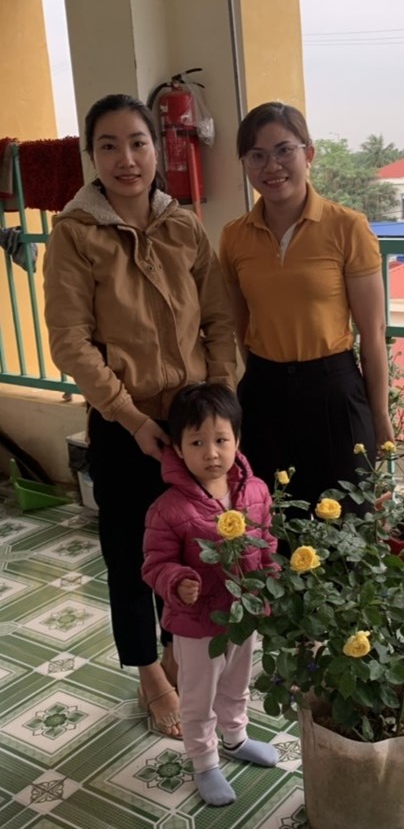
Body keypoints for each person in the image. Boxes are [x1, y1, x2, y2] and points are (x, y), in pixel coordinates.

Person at [43, 94, 236, 739]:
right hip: (124, 425)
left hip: (192, 425)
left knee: (192, 549)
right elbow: (71, 341)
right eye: (108, 145)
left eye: (138, 143)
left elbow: (219, 318)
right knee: (131, 555)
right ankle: (150, 674)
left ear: (157, 149)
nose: (126, 159)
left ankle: (180, 652)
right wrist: (130, 418)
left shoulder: (183, 226)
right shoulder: (75, 234)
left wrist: (218, 403)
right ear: (91, 155)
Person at [219, 101, 394, 516]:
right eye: (256, 155)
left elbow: (372, 333)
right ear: (245, 163)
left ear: (308, 154)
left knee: (346, 521)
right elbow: (241, 325)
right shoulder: (234, 237)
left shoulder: (347, 227)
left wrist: (380, 416)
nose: (272, 166)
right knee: (275, 520)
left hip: (333, 391)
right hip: (264, 395)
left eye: (284, 150)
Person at [142, 383, 279, 807]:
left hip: (243, 614)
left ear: (237, 439)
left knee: (237, 681)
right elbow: (155, 564)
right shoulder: (168, 509)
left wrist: (272, 582)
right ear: (178, 448)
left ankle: (236, 738)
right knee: (198, 696)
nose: (211, 453)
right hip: (197, 622)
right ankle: (204, 762)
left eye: (221, 439)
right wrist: (178, 581)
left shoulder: (256, 491)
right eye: (197, 442)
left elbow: (266, 543)